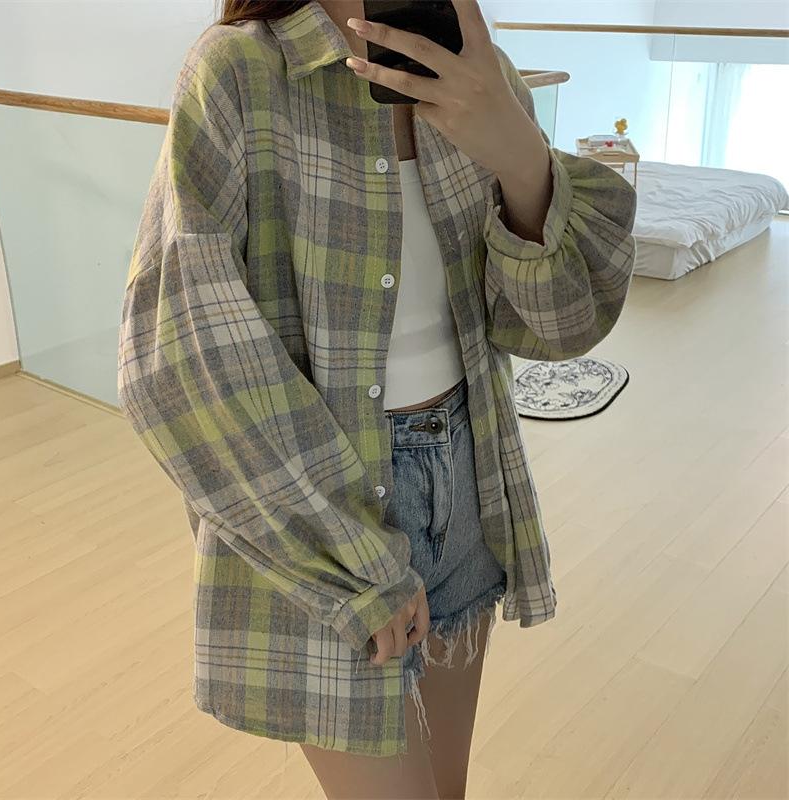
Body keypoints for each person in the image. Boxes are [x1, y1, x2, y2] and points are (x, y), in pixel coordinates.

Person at [116, 0, 637, 796]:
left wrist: (523, 159)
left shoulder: (481, 73)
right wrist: (354, 560)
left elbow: (558, 327)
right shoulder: (240, 72)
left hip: (469, 476)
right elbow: (181, 355)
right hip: (317, 505)